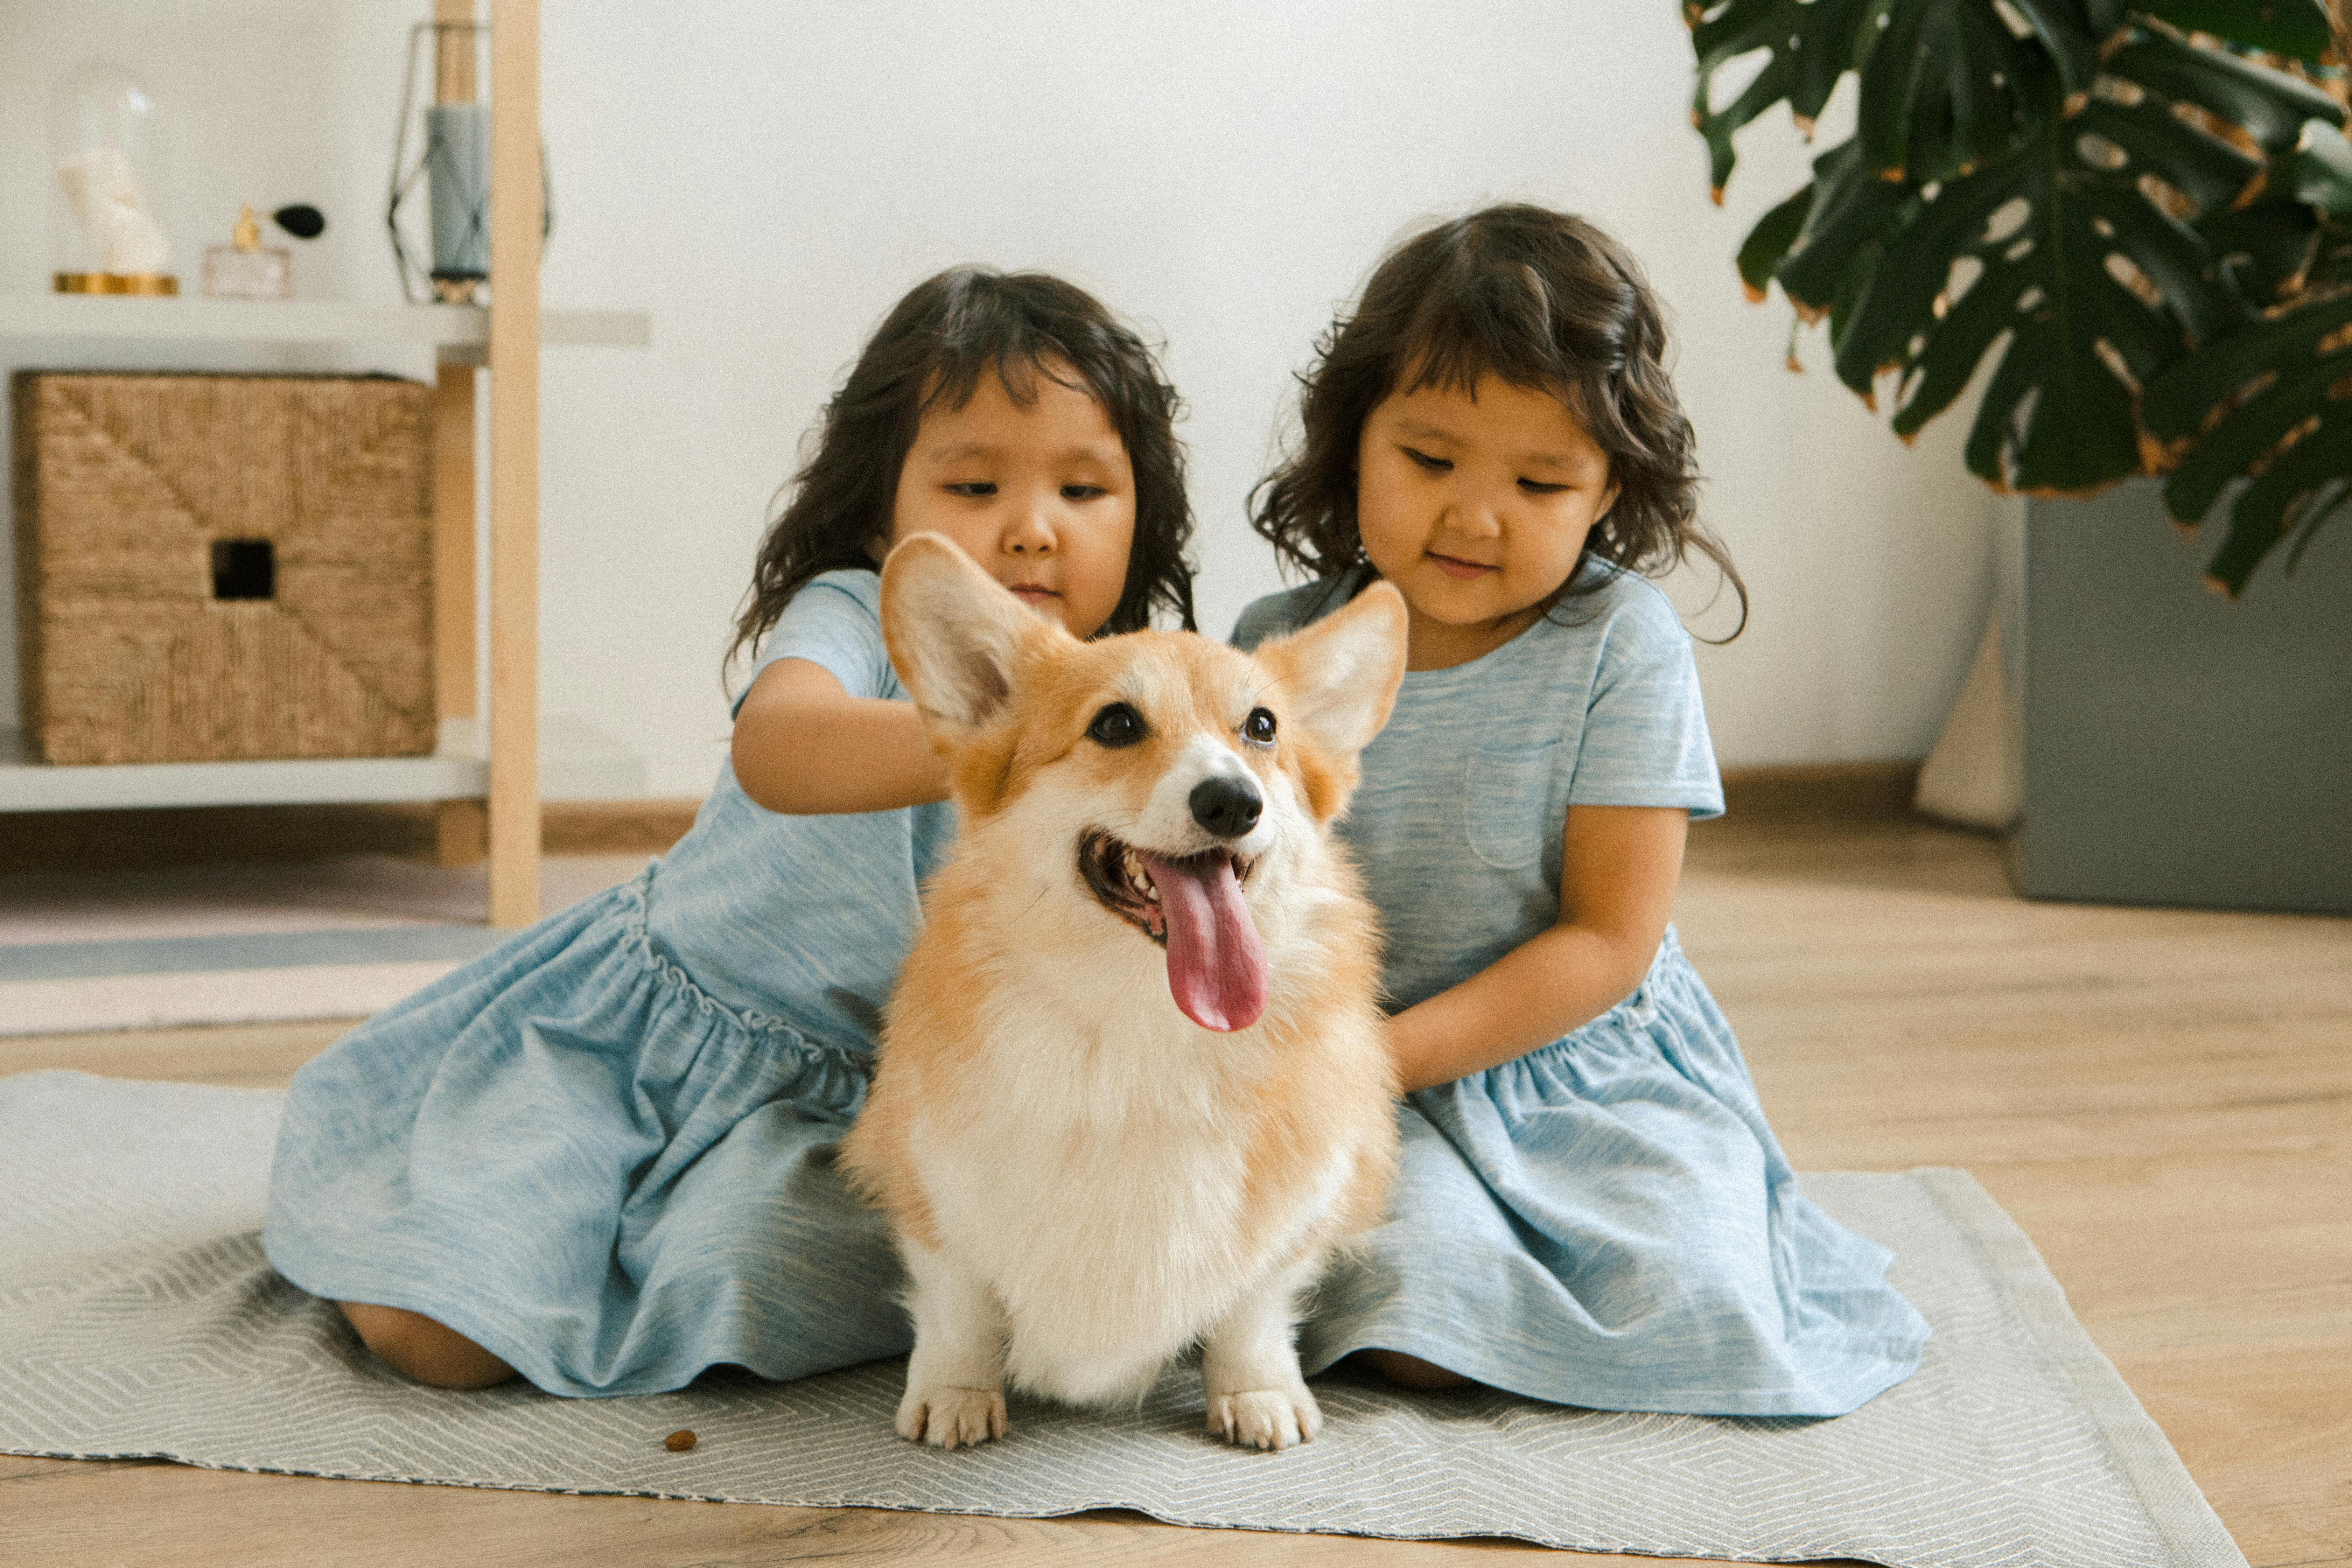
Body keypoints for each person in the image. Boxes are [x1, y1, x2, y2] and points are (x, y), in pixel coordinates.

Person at [263, 267, 1196, 1396]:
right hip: (658, 1044)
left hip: (863, 1106)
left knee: (800, 1272)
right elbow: (780, 742)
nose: (1033, 532)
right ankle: (444, 1213)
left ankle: (667, 1250)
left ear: (1141, 512)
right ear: (880, 512)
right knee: (434, 1333)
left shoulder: (1135, 700)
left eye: (1085, 491)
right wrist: (998, 735)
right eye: (974, 484)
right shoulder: (854, 615)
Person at [1234, 205, 1930, 1417]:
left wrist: (1376, 1064)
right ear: (1354, 443)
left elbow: (1610, 942)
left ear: (1609, 488)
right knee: (1415, 1325)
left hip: (1571, 1070)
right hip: (1350, 1066)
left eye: (1541, 480)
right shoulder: (1273, 650)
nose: (1475, 515)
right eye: (1431, 460)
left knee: (1696, 1297)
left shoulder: (1622, 646)